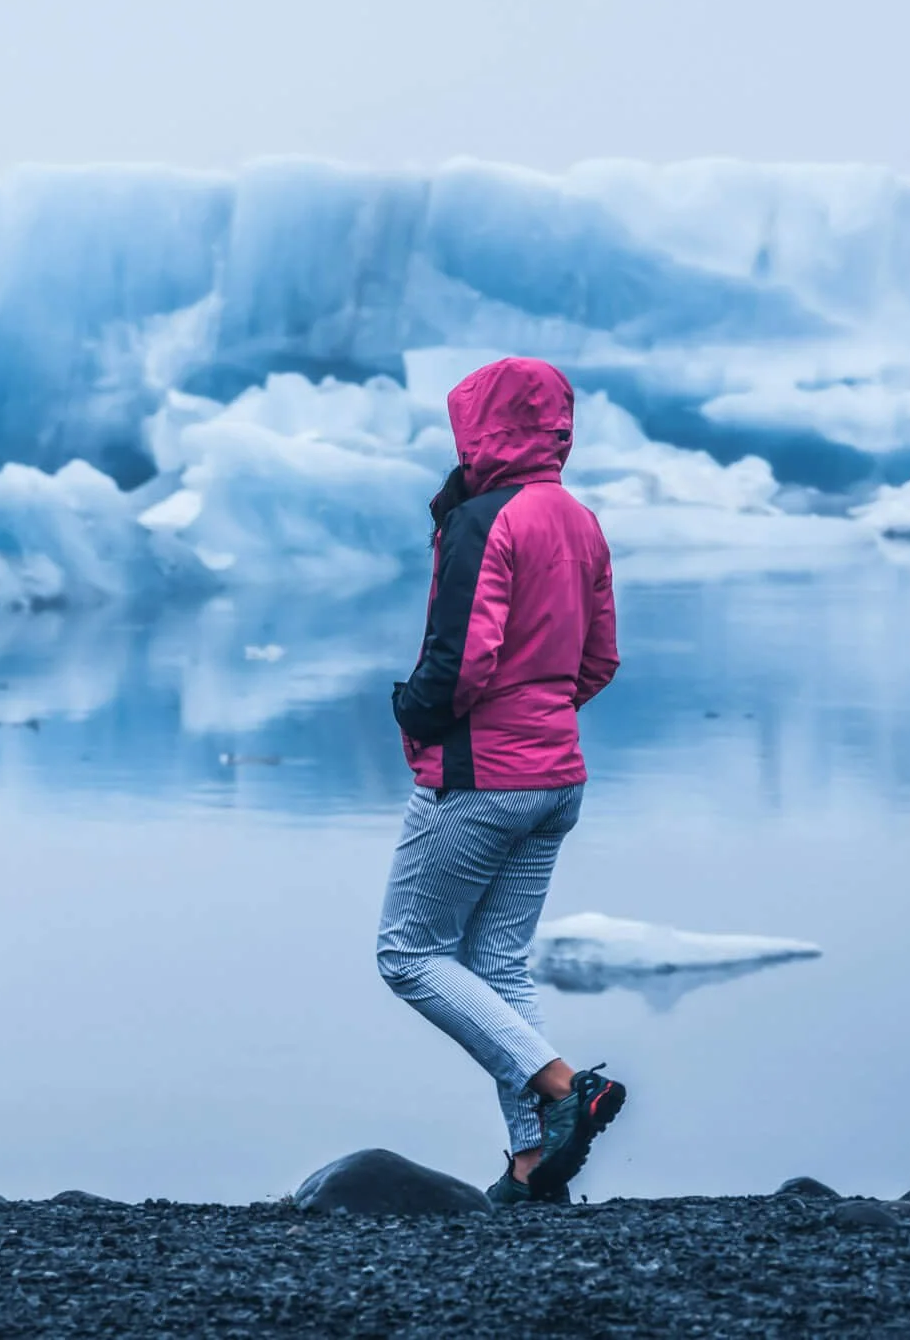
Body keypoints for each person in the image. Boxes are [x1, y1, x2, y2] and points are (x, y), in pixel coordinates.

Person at [375, 356, 623, 1205]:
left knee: (408, 954)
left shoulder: (486, 520)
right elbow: (599, 659)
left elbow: (460, 660)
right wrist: (544, 710)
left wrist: (411, 712)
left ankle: (565, 1090)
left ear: (482, 426)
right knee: (496, 963)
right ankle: (532, 1161)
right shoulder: (580, 519)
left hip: (482, 776)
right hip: (556, 775)